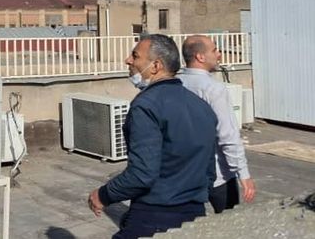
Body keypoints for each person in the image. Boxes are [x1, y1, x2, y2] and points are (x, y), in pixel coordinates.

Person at [88, 34, 217, 239]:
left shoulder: (146, 105)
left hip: (154, 217)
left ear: (155, 66)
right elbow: (209, 172)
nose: (128, 61)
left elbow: (142, 174)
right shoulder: (202, 107)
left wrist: (103, 195)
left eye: (135, 56)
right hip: (194, 216)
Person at [179, 35, 256, 213]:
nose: (219, 54)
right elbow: (227, 135)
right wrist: (243, 173)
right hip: (217, 174)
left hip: (184, 173)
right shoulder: (213, 89)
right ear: (200, 57)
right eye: (214, 50)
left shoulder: (176, 84)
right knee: (230, 225)